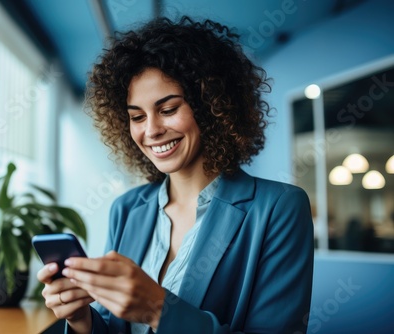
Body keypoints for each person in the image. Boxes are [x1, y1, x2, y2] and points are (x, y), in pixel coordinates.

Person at [37, 16, 314, 333]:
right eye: (137, 116)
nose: (151, 130)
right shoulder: (126, 208)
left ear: (211, 106)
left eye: (168, 109)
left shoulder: (279, 208)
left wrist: (158, 308)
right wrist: (81, 317)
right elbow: (114, 327)